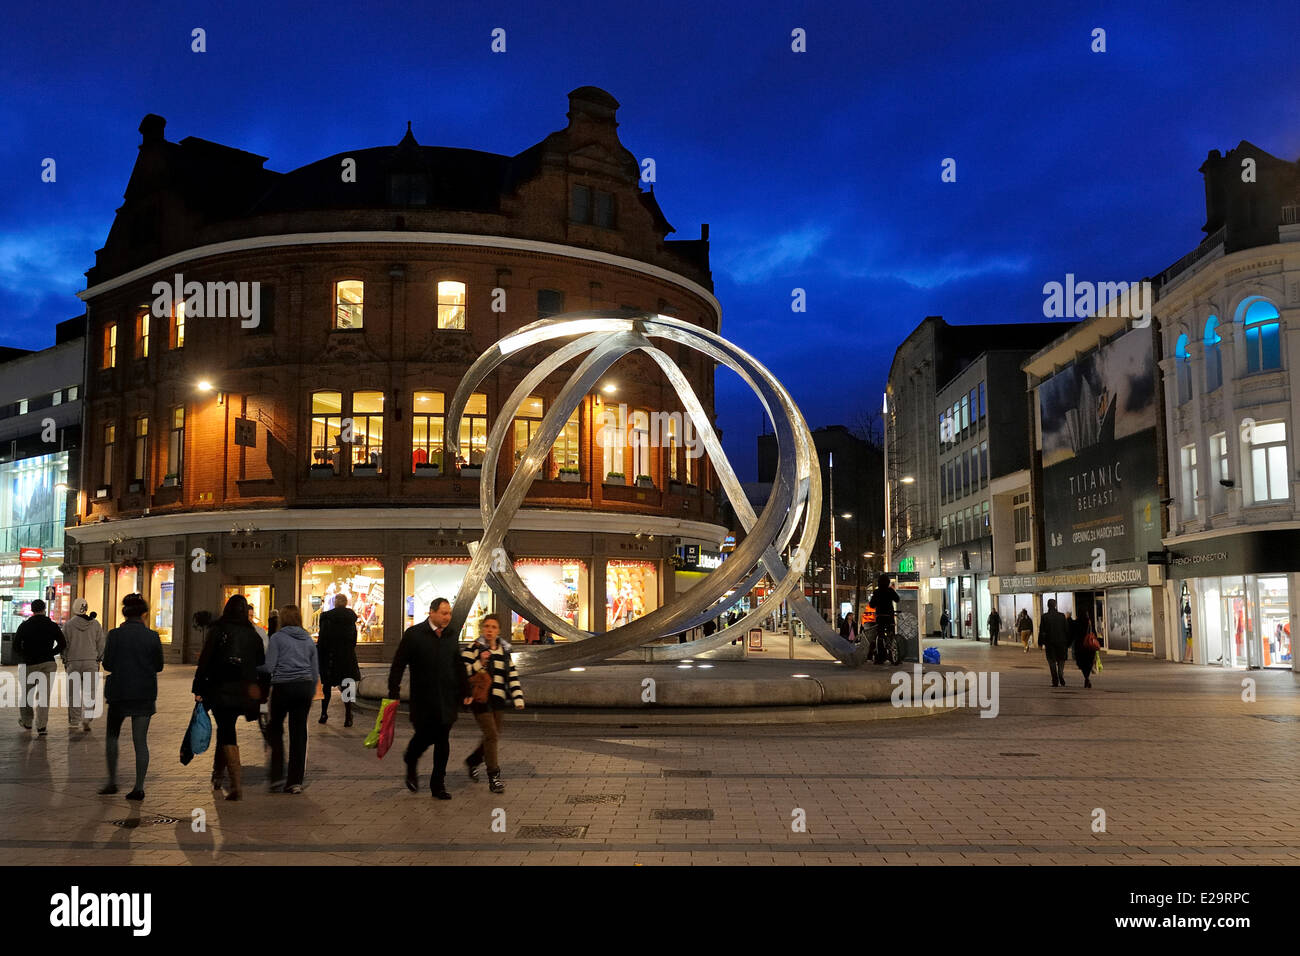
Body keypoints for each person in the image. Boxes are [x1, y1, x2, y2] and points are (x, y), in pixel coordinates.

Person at [388, 597, 471, 800]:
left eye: (449, 613)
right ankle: (411, 758)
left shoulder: (451, 635)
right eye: (444, 613)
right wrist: (394, 690)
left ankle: (438, 785)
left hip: (446, 699)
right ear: (431, 612)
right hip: (423, 700)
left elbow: (458, 664)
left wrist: (466, 690)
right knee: (424, 737)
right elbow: (399, 663)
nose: (447, 617)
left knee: (442, 740)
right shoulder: (414, 634)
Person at [193, 595, 266, 800]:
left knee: (226, 730)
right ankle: (218, 775)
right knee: (226, 729)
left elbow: (205, 660)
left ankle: (234, 783)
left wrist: (198, 687)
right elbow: (260, 660)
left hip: (221, 688)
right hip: (244, 691)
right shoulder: (252, 634)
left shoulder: (218, 630)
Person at [99, 594, 163, 800]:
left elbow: (107, 664)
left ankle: (111, 781)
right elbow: (159, 665)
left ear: (124, 612)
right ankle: (139, 787)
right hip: (144, 693)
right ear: (144, 613)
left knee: (112, 737)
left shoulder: (115, 635)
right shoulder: (152, 636)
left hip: (119, 692)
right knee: (140, 741)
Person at [461, 614, 524, 793]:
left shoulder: (504, 651)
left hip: (498, 700)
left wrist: (518, 698)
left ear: (499, 631)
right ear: (482, 629)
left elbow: (511, 675)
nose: (489, 630)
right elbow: (461, 669)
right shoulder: (474, 648)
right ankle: (494, 776)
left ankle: (473, 761)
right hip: (480, 699)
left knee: (492, 736)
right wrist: (478, 663)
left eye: (493, 627)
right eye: (487, 626)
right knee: (492, 736)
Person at [263, 604, 319, 793]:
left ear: (283, 619)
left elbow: (269, 667)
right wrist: (310, 693)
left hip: (283, 688)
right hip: (303, 688)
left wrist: (255, 670)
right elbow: (314, 670)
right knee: (299, 734)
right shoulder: (308, 640)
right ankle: (295, 781)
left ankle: (277, 775)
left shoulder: (277, 638)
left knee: (275, 729)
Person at [15, 599, 66, 736]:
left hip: (29, 664)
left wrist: (24, 654)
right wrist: (51, 653)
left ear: (32, 610)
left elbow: (16, 646)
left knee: (27, 694)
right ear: (44, 609)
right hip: (48, 664)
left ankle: (27, 722)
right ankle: (42, 726)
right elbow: (62, 643)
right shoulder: (52, 625)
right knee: (44, 696)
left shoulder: (24, 626)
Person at [62, 598, 108, 732]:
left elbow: (64, 644)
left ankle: (75, 720)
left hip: (73, 662)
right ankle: (87, 718)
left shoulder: (68, 625)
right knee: (91, 691)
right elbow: (101, 644)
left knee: (73, 693)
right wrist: (98, 658)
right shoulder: (95, 624)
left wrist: (65, 659)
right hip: (90, 662)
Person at [316, 594, 361, 726]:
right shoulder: (351, 620)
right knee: (347, 685)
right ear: (346, 603)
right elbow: (354, 641)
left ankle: (324, 713)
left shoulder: (327, 618)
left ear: (335, 603)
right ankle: (348, 716)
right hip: (346, 657)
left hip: (330, 657)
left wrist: (321, 656)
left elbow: (322, 639)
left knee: (327, 686)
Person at [1038, 598, 1071, 688]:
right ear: (1055, 605)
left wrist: (1040, 643)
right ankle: (1060, 674)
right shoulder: (1061, 616)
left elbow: (1041, 631)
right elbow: (1066, 630)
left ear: (1048, 605)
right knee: (1061, 660)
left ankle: (1055, 680)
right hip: (1061, 643)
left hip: (1050, 643)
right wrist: (1068, 643)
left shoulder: (1044, 617)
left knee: (1051, 661)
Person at [868, 574, 901, 663]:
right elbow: (897, 599)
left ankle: (881, 657)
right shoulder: (890, 590)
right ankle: (893, 653)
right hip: (889, 616)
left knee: (880, 636)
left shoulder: (877, 592)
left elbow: (872, 604)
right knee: (891, 633)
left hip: (880, 617)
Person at [1074, 612, 1099, 688]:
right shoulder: (1089, 623)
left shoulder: (1077, 623)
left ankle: (1086, 677)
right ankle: (1087, 677)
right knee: (1088, 662)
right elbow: (1094, 633)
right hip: (1089, 647)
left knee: (1082, 664)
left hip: (1080, 647)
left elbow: (1074, 634)